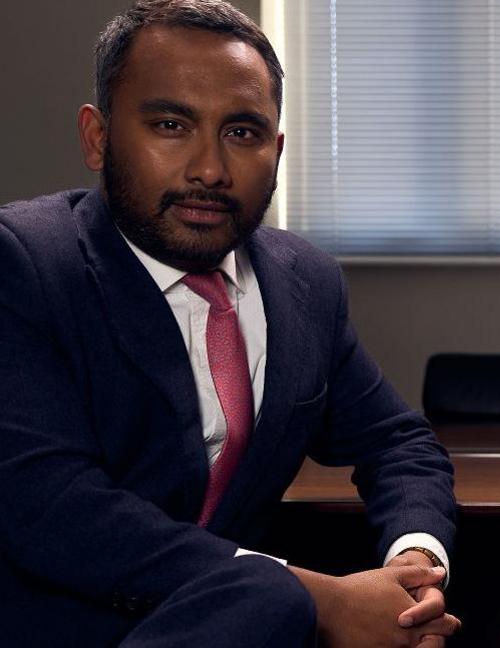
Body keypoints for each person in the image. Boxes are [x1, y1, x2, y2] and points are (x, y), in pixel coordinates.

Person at [0, 1, 460, 646]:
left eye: (241, 133)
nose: (209, 170)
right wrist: (318, 597)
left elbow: (396, 443)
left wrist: (413, 565)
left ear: (276, 149)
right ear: (97, 138)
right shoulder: (25, 260)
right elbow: (50, 507)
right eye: (170, 124)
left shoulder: (306, 282)